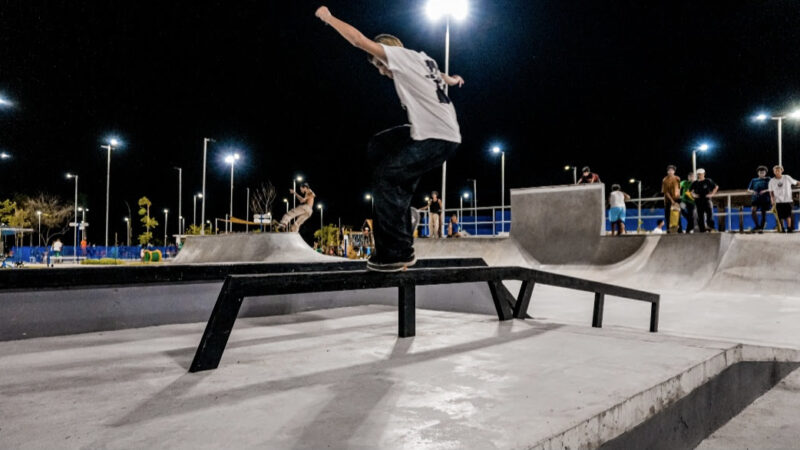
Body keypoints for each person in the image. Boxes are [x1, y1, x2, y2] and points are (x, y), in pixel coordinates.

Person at [316, 7, 463, 271]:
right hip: (433, 133)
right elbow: (439, 75)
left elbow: (359, 40)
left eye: (380, 65)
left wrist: (328, 18)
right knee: (380, 146)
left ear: (387, 53)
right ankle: (402, 209)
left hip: (435, 137)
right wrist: (452, 80)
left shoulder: (399, 56)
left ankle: (397, 253)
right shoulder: (422, 59)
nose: (382, 72)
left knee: (385, 177)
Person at [768, 165, 798, 233]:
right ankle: (782, 228)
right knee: (780, 216)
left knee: (788, 215)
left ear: (782, 170)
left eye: (779, 170)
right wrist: (772, 199)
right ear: (773, 172)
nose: (777, 172)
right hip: (778, 201)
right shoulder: (771, 181)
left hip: (787, 200)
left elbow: (795, 182)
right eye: (776, 170)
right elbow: (771, 192)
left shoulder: (786, 177)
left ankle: (789, 228)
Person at [747, 166, 772, 233]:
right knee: (753, 210)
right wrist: (752, 191)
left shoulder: (768, 179)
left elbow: (772, 188)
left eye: (763, 172)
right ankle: (757, 226)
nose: (761, 173)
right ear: (758, 173)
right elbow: (748, 189)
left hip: (765, 198)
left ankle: (761, 228)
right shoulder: (754, 180)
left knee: (763, 213)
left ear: (765, 173)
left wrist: (765, 190)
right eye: (760, 172)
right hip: (756, 198)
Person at [661, 165, 681, 233]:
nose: (670, 172)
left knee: (677, 214)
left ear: (674, 171)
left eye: (672, 170)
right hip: (668, 200)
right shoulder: (665, 179)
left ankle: (679, 229)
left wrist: (678, 197)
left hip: (677, 199)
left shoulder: (677, 178)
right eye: (669, 170)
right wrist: (672, 201)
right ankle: (668, 229)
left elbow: (679, 188)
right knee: (668, 215)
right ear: (667, 171)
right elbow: (665, 192)